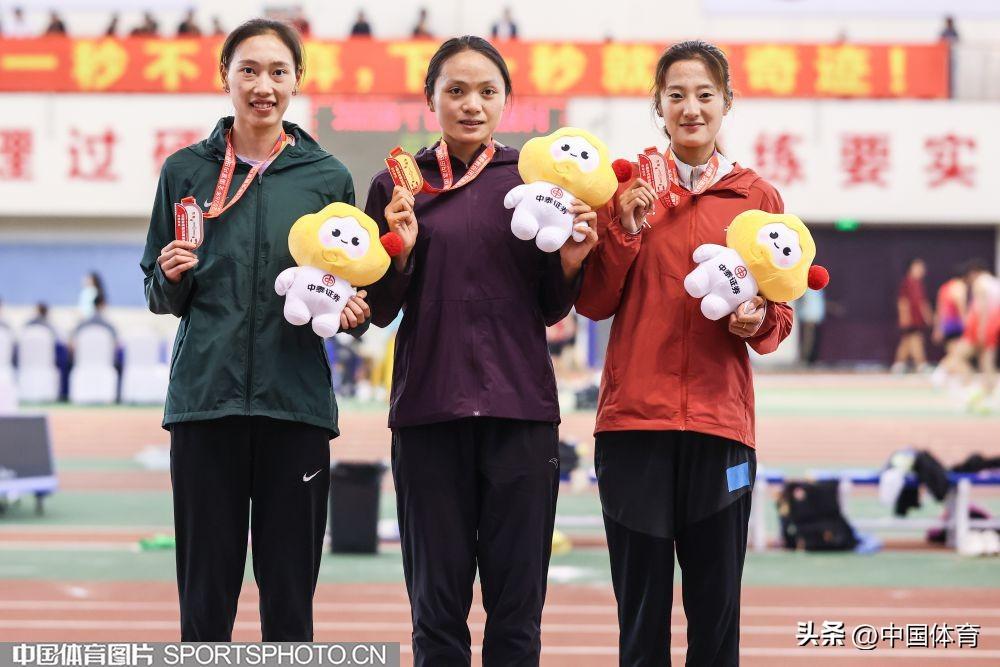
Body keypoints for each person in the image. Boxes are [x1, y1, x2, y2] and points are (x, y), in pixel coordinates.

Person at [364, 36, 597, 665]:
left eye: (487, 91)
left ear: (506, 101)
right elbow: (379, 308)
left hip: (519, 413)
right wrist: (401, 254)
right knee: (435, 610)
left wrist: (571, 261)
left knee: (517, 611)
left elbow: (550, 305)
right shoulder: (397, 185)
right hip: (429, 413)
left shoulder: (536, 181)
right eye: (457, 90)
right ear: (431, 99)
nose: (472, 104)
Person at [139, 18, 369, 642]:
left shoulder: (327, 178)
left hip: (295, 407)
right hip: (205, 404)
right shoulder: (184, 171)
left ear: (298, 80)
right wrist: (170, 275)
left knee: (290, 602)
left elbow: (343, 286)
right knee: (204, 600)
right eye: (248, 70)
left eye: (277, 72)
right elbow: (158, 291)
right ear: (225, 77)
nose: (263, 85)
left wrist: (354, 315)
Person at [576, 40, 792, 666]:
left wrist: (756, 319)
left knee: (716, 616)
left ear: (727, 102)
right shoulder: (625, 188)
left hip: (720, 429)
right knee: (641, 618)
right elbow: (594, 302)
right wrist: (624, 228)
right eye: (677, 95)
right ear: (659, 105)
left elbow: (778, 321)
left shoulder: (757, 199)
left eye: (705, 95)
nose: (691, 108)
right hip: (634, 427)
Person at [893, 257, 932, 373]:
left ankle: (898, 365)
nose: (922, 270)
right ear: (912, 268)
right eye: (919, 267)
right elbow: (902, 302)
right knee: (916, 340)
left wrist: (927, 317)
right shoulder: (907, 282)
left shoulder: (919, 284)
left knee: (907, 341)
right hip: (910, 319)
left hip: (918, 319)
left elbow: (922, 303)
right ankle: (921, 364)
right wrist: (904, 318)